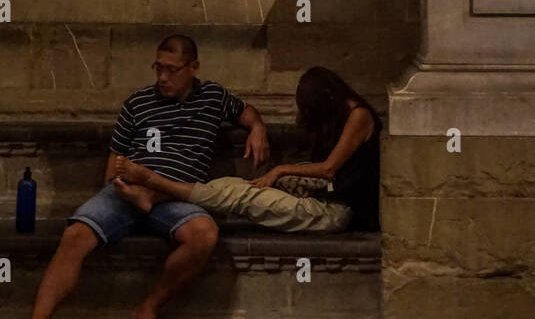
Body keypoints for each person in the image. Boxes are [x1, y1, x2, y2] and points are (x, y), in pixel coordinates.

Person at [11, 34, 268, 319]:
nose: (162, 77)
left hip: (176, 196)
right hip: (126, 191)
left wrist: (258, 126)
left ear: (194, 67)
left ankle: (147, 310)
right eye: (158, 68)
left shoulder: (213, 98)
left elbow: (246, 112)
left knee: (204, 234)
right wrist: (116, 189)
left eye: (172, 70)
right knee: (75, 235)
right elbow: (114, 157)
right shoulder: (138, 103)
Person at [113, 66, 382, 233]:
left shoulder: (359, 116)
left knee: (245, 197)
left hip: (339, 212)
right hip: (326, 198)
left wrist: (279, 170)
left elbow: (329, 168)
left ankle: (153, 181)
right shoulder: (347, 114)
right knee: (235, 185)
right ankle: (155, 195)